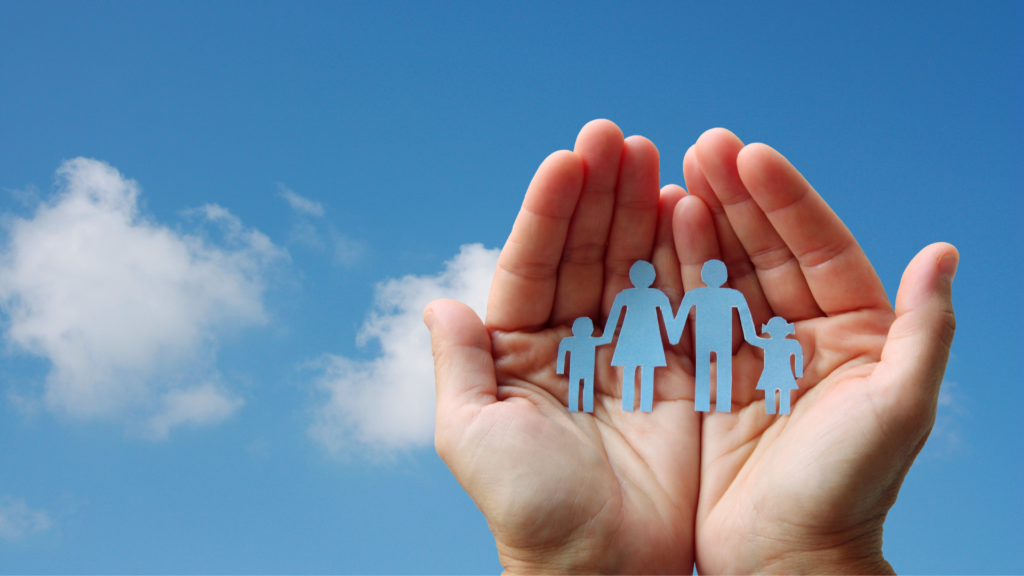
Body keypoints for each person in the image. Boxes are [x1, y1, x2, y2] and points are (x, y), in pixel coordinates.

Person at [423, 120, 957, 574]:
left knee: (713, 378)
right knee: (692, 378)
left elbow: (711, 316)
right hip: (669, 347)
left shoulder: (711, 298)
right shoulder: (668, 299)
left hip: (701, 347)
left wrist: (809, 553)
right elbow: (674, 314)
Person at [674, 258, 757, 412]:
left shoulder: (699, 294)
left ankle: (711, 403)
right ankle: (714, 403)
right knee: (715, 368)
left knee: (711, 368)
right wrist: (752, 337)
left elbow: (681, 315)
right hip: (714, 338)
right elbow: (745, 318)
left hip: (713, 338)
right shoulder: (729, 295)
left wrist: (675, 334)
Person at [601, 260, 678, 412]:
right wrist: (674, 335)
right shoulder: (655, 295)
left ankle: (631, 404)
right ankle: (640, 404)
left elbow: (613, 318)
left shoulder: (627, 295)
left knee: (631, 369)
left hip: (634, 337)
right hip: (645, 337)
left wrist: (606, 336)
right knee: (644, 370)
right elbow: (669, 318)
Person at [748, 316, 803, 415]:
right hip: (774, 373)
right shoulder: (790, 344)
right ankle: (773, 411)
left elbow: (798, 355)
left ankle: (782, 411)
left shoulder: (791, 344)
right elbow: (751, 339)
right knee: (773, 393)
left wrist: (799, 372)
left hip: (778, 373)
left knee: (781, 392)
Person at [555, 316, 606, 413]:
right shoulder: (569, 341)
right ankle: (574, 406)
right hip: (577, 370)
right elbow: (562, 352)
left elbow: (606, 339)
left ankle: (587, 407)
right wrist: (560, 368)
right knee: (576, 387)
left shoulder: (589, 341)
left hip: (586, 370)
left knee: (586, 387)